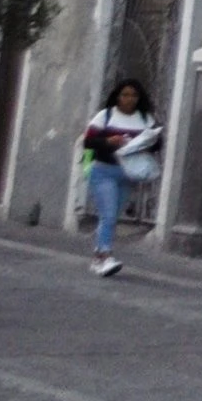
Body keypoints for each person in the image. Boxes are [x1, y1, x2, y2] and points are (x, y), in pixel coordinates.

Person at [79, 80, 161, 276]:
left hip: (128, 173)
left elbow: (158, 144)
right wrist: (108, 141)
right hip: (103, 171)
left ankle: (98, 257)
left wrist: (143, 143)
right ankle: (106, 256)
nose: (129, 99)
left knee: (112, 217)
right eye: (125, 95)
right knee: (108, 215)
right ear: (117, 96)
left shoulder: (145, 118)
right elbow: (88, 141)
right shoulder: (105, 116)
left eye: (133, 95)